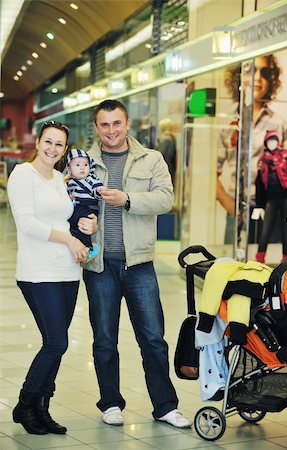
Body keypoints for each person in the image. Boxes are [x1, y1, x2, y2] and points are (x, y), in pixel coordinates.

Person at [82, 99, 192, 428]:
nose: (111, 131)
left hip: (140, 264)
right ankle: (110, 403)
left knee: (153, 339)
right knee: (104, 339)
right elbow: (69, 202)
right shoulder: (84, 162)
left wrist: (127, 199)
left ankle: (165, 406)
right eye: (105, 124)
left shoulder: (151, 159)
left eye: (117, 123)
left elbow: (165, 198)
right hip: (99, 266)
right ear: (97, 127)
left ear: (127, 123)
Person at [7, 120, 96, 435]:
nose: (53, 149)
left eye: (59, 145)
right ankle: (24, 403)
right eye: (48, 141)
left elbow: (72, 216)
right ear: (38, 141)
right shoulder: (22, 176)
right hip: (37, 271)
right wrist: (69, 240)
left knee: (55, 343)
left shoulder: (63, 178)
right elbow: (28, 224)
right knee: (56, 341)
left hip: (67, 271)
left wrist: (88, 226)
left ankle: (41, 409)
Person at [217, 54, 287, 244]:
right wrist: (231, 207)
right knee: (232, 269)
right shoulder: (226, 124)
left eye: (265, 71)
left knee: (270, 267)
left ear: (272, 79)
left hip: (272, 211)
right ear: (239, 77)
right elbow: (210, 172)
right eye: (251, 71)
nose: (257, 77)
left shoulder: (280, 125)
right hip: (238, 211)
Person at [254, 130, 287, 263]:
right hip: (270, 200)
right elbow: (259, 184)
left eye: (274, 141)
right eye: (269, 141)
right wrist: (259, 204)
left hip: (285, 198)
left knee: (285, 231)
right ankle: (260, 258)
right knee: (265, 230)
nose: (272, 144)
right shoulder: (262, 160)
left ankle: (286, 260)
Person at [66, 148, 103, 263]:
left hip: (88, 208)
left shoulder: (91, 178)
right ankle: (80, 247)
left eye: (85, 164)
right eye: (77, 165)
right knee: (74, 225)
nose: (82, 168)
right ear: (69, 168)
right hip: (77, 206)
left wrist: (99, 191)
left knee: (83, 225)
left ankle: (89, 248)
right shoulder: (69, 181)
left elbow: (97, 188)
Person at [157, 118, 177, 187]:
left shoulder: (166, 139)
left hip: (166, 168)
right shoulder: (171, 138)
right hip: (170, 167)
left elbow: (160, 155)